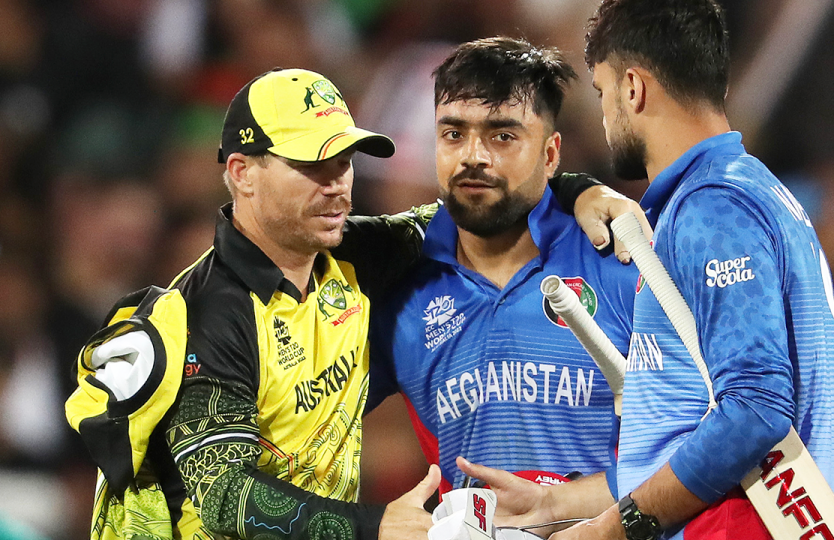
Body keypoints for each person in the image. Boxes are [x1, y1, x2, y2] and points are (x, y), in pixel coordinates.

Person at [64, 67, 636, 540]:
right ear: (242, 174)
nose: (337, 183)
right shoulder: (207, 316)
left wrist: (580, 188)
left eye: (344, 161)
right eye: (312, 165)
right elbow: (225, 496)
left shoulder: (352, 255)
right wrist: (374, 526)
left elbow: (482, 200)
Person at [460, 2, 834, 539]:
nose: (603, 117)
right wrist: (558, 504)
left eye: (601, 94)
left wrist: (612, 531)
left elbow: (756, 412)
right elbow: (691, 439)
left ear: (632, 89)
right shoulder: (746, 194)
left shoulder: (715, 209)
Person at [365, 37, 640, 497]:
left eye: (502, 136)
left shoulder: (621, 262)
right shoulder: (399, 295)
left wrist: (563, 506)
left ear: (550, 155)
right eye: (453, 134)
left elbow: (700, 443)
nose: (473, 155)